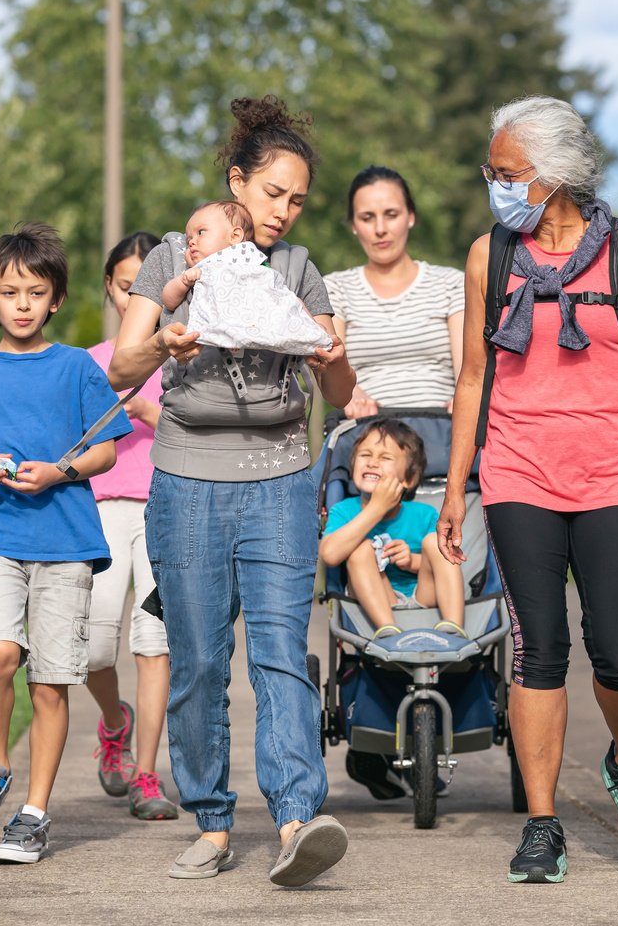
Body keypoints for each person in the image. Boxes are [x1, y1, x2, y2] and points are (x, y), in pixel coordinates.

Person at [437, 97, 618, 885]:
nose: (495, 184)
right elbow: (473, 379)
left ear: (554, 176)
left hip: (615, 472)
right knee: (539, 650)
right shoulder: (490, 258)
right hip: (519, 471)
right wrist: (458, 488)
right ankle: (543, 822)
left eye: (506, 172)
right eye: (493, 171)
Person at [109, 94, 356, 887]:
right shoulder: (173, 258)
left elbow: (343, 388)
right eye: (273, 192)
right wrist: (163, 341)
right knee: (198, 663)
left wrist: (331, 359)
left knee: (283, 654)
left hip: (281, 482)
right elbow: (121, 366)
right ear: (237, 181)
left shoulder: (298, 269)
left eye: (297, 201)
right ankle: (213, 823)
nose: (284, 212)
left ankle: (295, 820)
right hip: (184, 485)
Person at [0, 223, 133, 865]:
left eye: (36, 292)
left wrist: (60, 471)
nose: (22, 303)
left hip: (67, 541)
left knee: (50, 682)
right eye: (9, 291)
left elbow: (105, 448)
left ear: (55, 300)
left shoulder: (77, 367)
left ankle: (35, 814)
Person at [83, 231, 181, 821]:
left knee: (153, 644)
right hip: (99, 512)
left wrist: (154, 412)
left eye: (147, 284)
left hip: (161, 509)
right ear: (112, 290)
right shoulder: (92, 362)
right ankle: (114, 724)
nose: (135, 296)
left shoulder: (185, 356)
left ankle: (146, 776)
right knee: (93, 646)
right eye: (126, 286)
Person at [317, 418, 468, 649]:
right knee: (359, 549)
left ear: (407, 479)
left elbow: (442, 564)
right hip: (378, 599)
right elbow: (329, 555)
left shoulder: (424, 514)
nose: (372, 462)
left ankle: (454, 628)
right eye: (365, 455)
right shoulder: (344, 510)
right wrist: (376, 509)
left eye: (385, 457)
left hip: (424, 595)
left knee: (435, 543)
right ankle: (388, 631)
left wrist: (411, 562)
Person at [326, 167, 465, 417]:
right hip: (367, 439)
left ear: (410, 217)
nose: (380, 228)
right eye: (367, 217)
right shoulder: (334, 289)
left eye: (391, 214)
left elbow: (467, 374)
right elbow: (333, 371)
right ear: (354, 225)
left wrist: (464, 401)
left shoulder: (452, 284)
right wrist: (351, 394)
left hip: (442, 433)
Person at [159, 200, 255, 311]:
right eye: (188, 240)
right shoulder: (198, 271)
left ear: (234, 236)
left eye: (200, 232)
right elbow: (169, 302)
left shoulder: (252, 260)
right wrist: (183, 282)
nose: (191, 242)